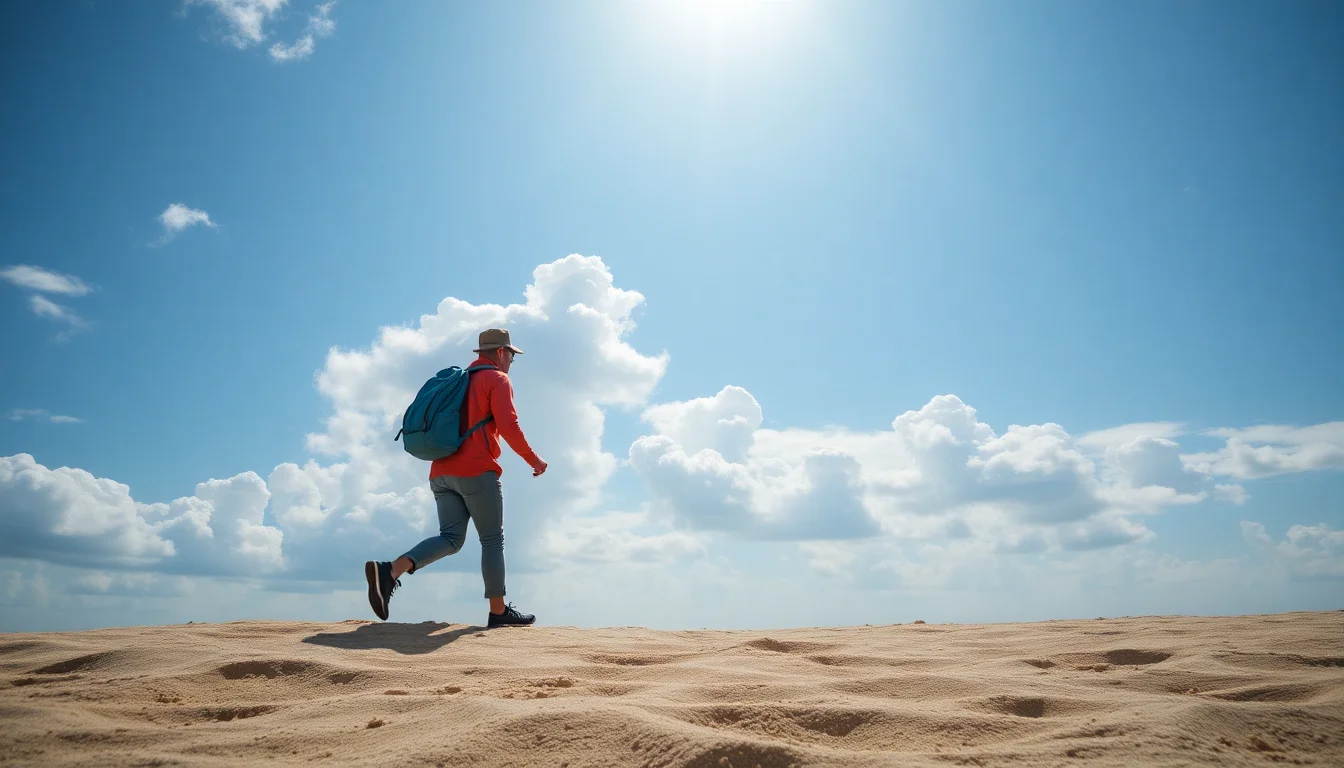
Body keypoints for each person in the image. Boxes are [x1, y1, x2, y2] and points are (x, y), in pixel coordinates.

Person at [365, 328, 547, 628]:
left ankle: (390, 571)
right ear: (501, 353)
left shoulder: (456, 380)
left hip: (440, 472)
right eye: (512, 356)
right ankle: (498, 612)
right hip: (476, 471)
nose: (512, 362)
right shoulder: (497, 379)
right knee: (492, 541)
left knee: (450, 538)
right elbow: (509, 426)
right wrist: (534, 460)